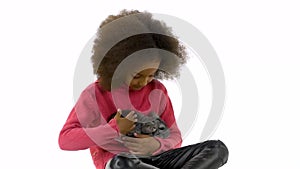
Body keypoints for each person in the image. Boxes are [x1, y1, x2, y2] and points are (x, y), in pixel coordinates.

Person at [58, 9, 228, 169]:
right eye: (137, 76)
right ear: (118, 66)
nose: (145, 82)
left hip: (159, 159)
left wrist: (157, 144)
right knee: (122, 163)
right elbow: (65, 140)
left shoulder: (158, 91)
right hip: (123, 162)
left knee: (217, 149)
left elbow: (175, 136)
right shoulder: (95, 94)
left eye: (151, 75)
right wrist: (114, 129)